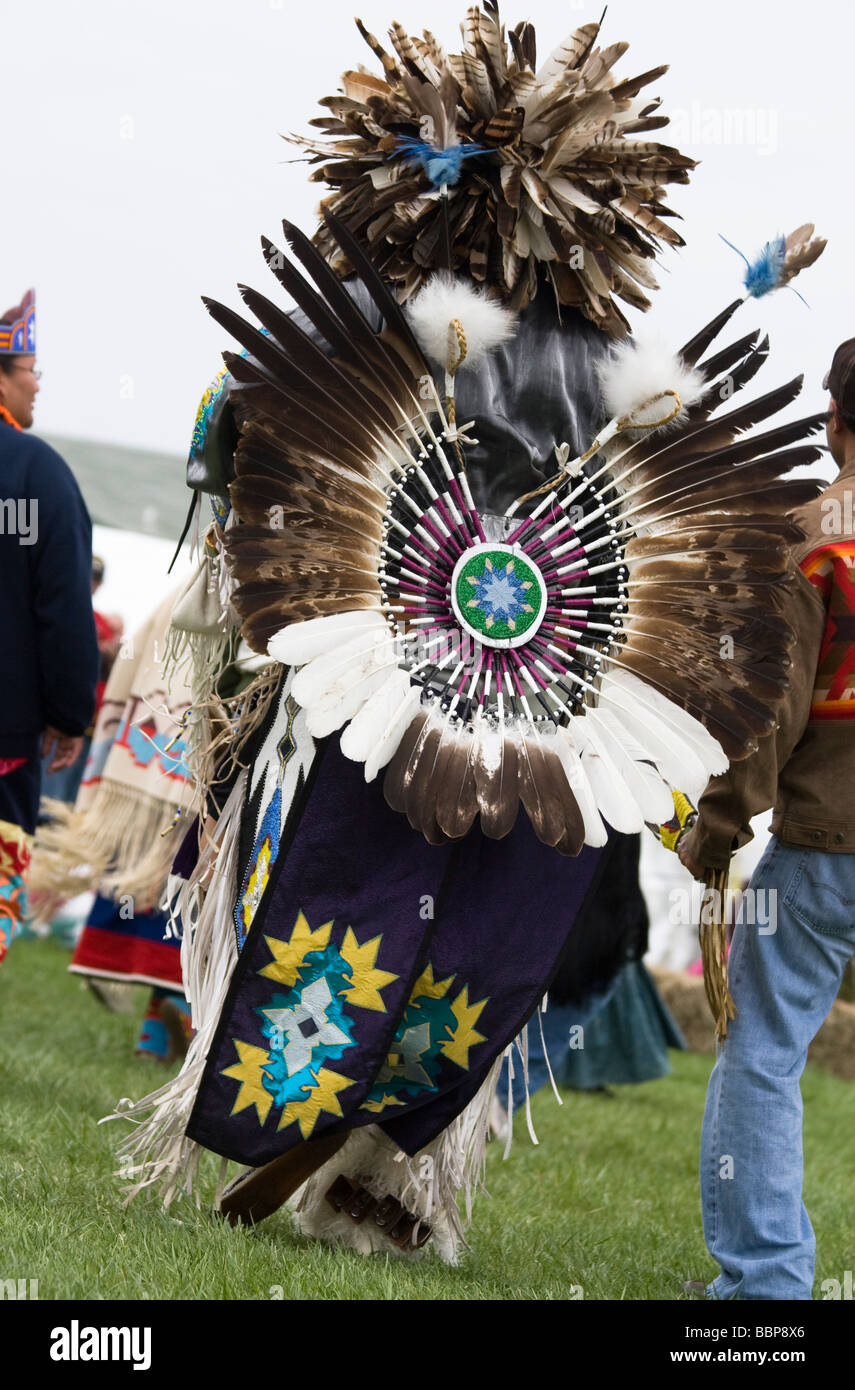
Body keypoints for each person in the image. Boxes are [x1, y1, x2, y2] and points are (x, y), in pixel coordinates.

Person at [111, 6, 826, 1264]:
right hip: (469, 701)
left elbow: (233, 449)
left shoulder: (393, 328)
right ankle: (368, 1172)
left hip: (472, 698)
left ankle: (352, 1160)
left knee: (417, 918)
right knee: (471, 934)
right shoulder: (559, 357)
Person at [678, 337, 855, 1300]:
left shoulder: (811, 536)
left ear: (835, 423)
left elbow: (767, 712)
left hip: (825, 850)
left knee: (761, 1053)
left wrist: (717, 828)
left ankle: (767, 1290)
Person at [0, 288, 98, 967]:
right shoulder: (36, 473)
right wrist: (70, 712)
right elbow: (62, 607)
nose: (40, 380)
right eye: (31, 366)